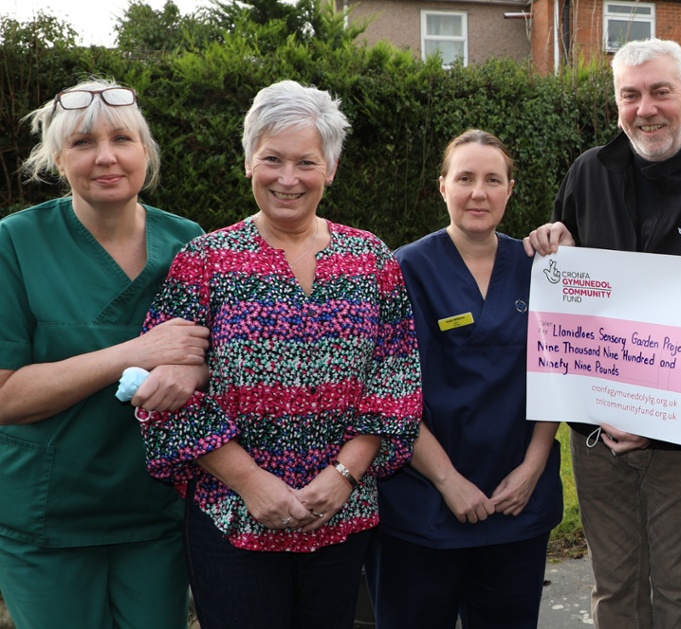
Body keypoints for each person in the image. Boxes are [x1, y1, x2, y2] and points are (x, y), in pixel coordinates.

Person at [136, 80, 421, 628]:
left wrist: (343, 476)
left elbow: (395, 377)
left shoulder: (372, 260)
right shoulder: (206, 261)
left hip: (339, 512)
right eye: (272, 159)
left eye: (306, 162)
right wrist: (251, 483)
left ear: (330, 169)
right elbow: (163, 392)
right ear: (248, 161)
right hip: (232, 519)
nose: (288, 179)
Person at [523, 38, 681, 629]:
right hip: (597, 432)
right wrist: (552, 242)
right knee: (614, 589)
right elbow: (566, 297)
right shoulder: (588, 172)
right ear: (617, 103)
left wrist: (661, 416)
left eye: (660, 92)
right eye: (631, 94)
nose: (645, 108)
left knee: (679, 595)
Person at [0, 79, 205, 628]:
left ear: (146, 152)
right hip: (47, 521)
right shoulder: (15, 243)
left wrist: (193, 367)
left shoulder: (190, 243)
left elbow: (218, 360)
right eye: (84, 143)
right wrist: (136, 350)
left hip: (156, 513)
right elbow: (5, 395)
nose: (106, 157)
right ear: (59, 159)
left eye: (122, 138)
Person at [368, 129, 563, 629]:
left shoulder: (543, 269)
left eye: (493, 179)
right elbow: (386, 389)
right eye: (465, 178)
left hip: (516, 500)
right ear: (443, 187)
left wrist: (533, 467)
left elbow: (559, 372)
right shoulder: (403, 269)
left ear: (510, 190)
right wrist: (447, 481)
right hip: (424, 503)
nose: (479, 192)